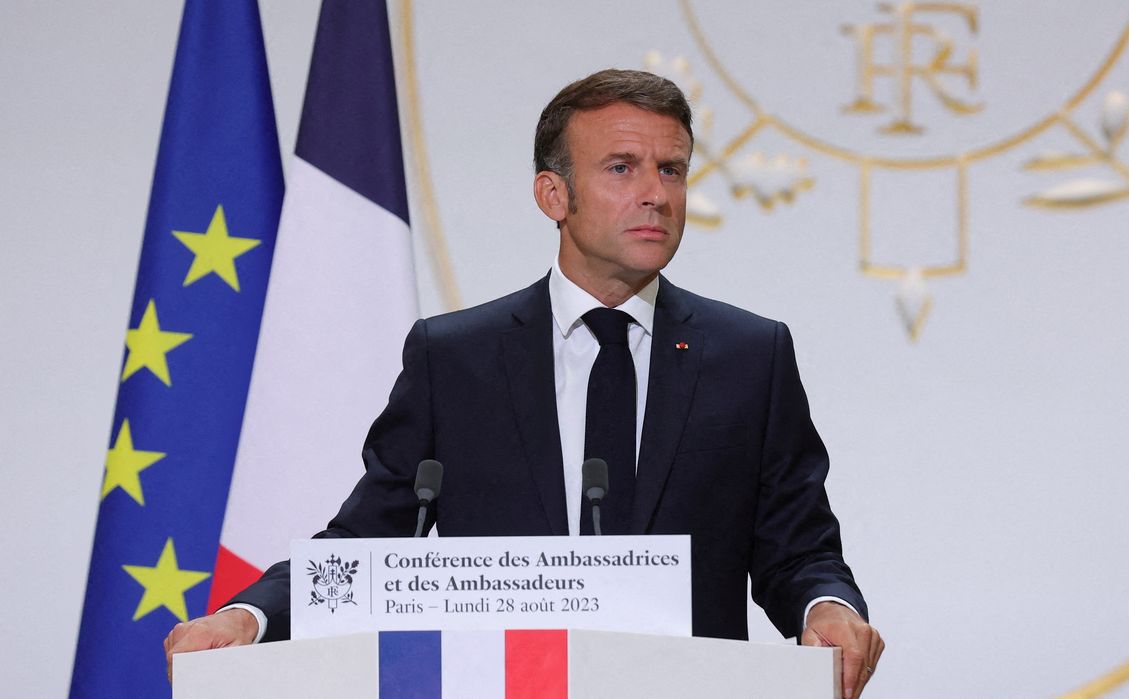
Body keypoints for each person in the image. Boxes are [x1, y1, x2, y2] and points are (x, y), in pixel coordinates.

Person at [165, 69, 884, 698]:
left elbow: (797, 547)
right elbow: (367, 538)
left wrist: (827, 606)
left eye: (671, 170)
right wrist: (248, 615)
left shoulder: (749, 354)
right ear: (552, 194)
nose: (655, 195)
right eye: (622, 167)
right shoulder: (455, 359)